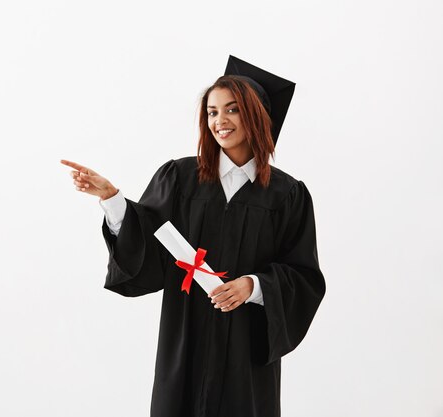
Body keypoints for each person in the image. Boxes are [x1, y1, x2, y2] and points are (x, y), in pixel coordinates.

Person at [61, 56, 326, 417]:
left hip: (245, 350)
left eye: (232, 110)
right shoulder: (180, 178)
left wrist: (253, 286)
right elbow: (147, 246)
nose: (220, 121)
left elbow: (303, 275)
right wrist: (113, 199)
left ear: (256, 115)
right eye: (212, 112)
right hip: (186, 336)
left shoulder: (286, 195)